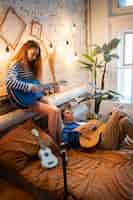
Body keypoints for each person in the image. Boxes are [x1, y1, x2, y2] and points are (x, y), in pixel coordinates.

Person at [6, 40, 63, 142]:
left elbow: (35, 86)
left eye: (37, 55)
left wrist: (43, 89)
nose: (35, 58)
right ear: (26, 50)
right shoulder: (16, 66)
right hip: (26, 101)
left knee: (57, 110)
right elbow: (9, 82)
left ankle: (61, 140)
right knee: (53, 111)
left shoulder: (31, 67)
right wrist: (29, 87)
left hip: (35, 97)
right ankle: (53, 143)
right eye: (33, 54)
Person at [61, 108, 133, 150]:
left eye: (70, 111)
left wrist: (95, 125)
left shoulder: (79, 123)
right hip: (103, 142)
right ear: (63, 119)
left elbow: (95, 127)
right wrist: (79, 131)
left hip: (107, 136)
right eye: (68, 113)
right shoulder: (66, 129)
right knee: (117, 112)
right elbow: (65, 139)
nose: (71, 112)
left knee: (124, 121)